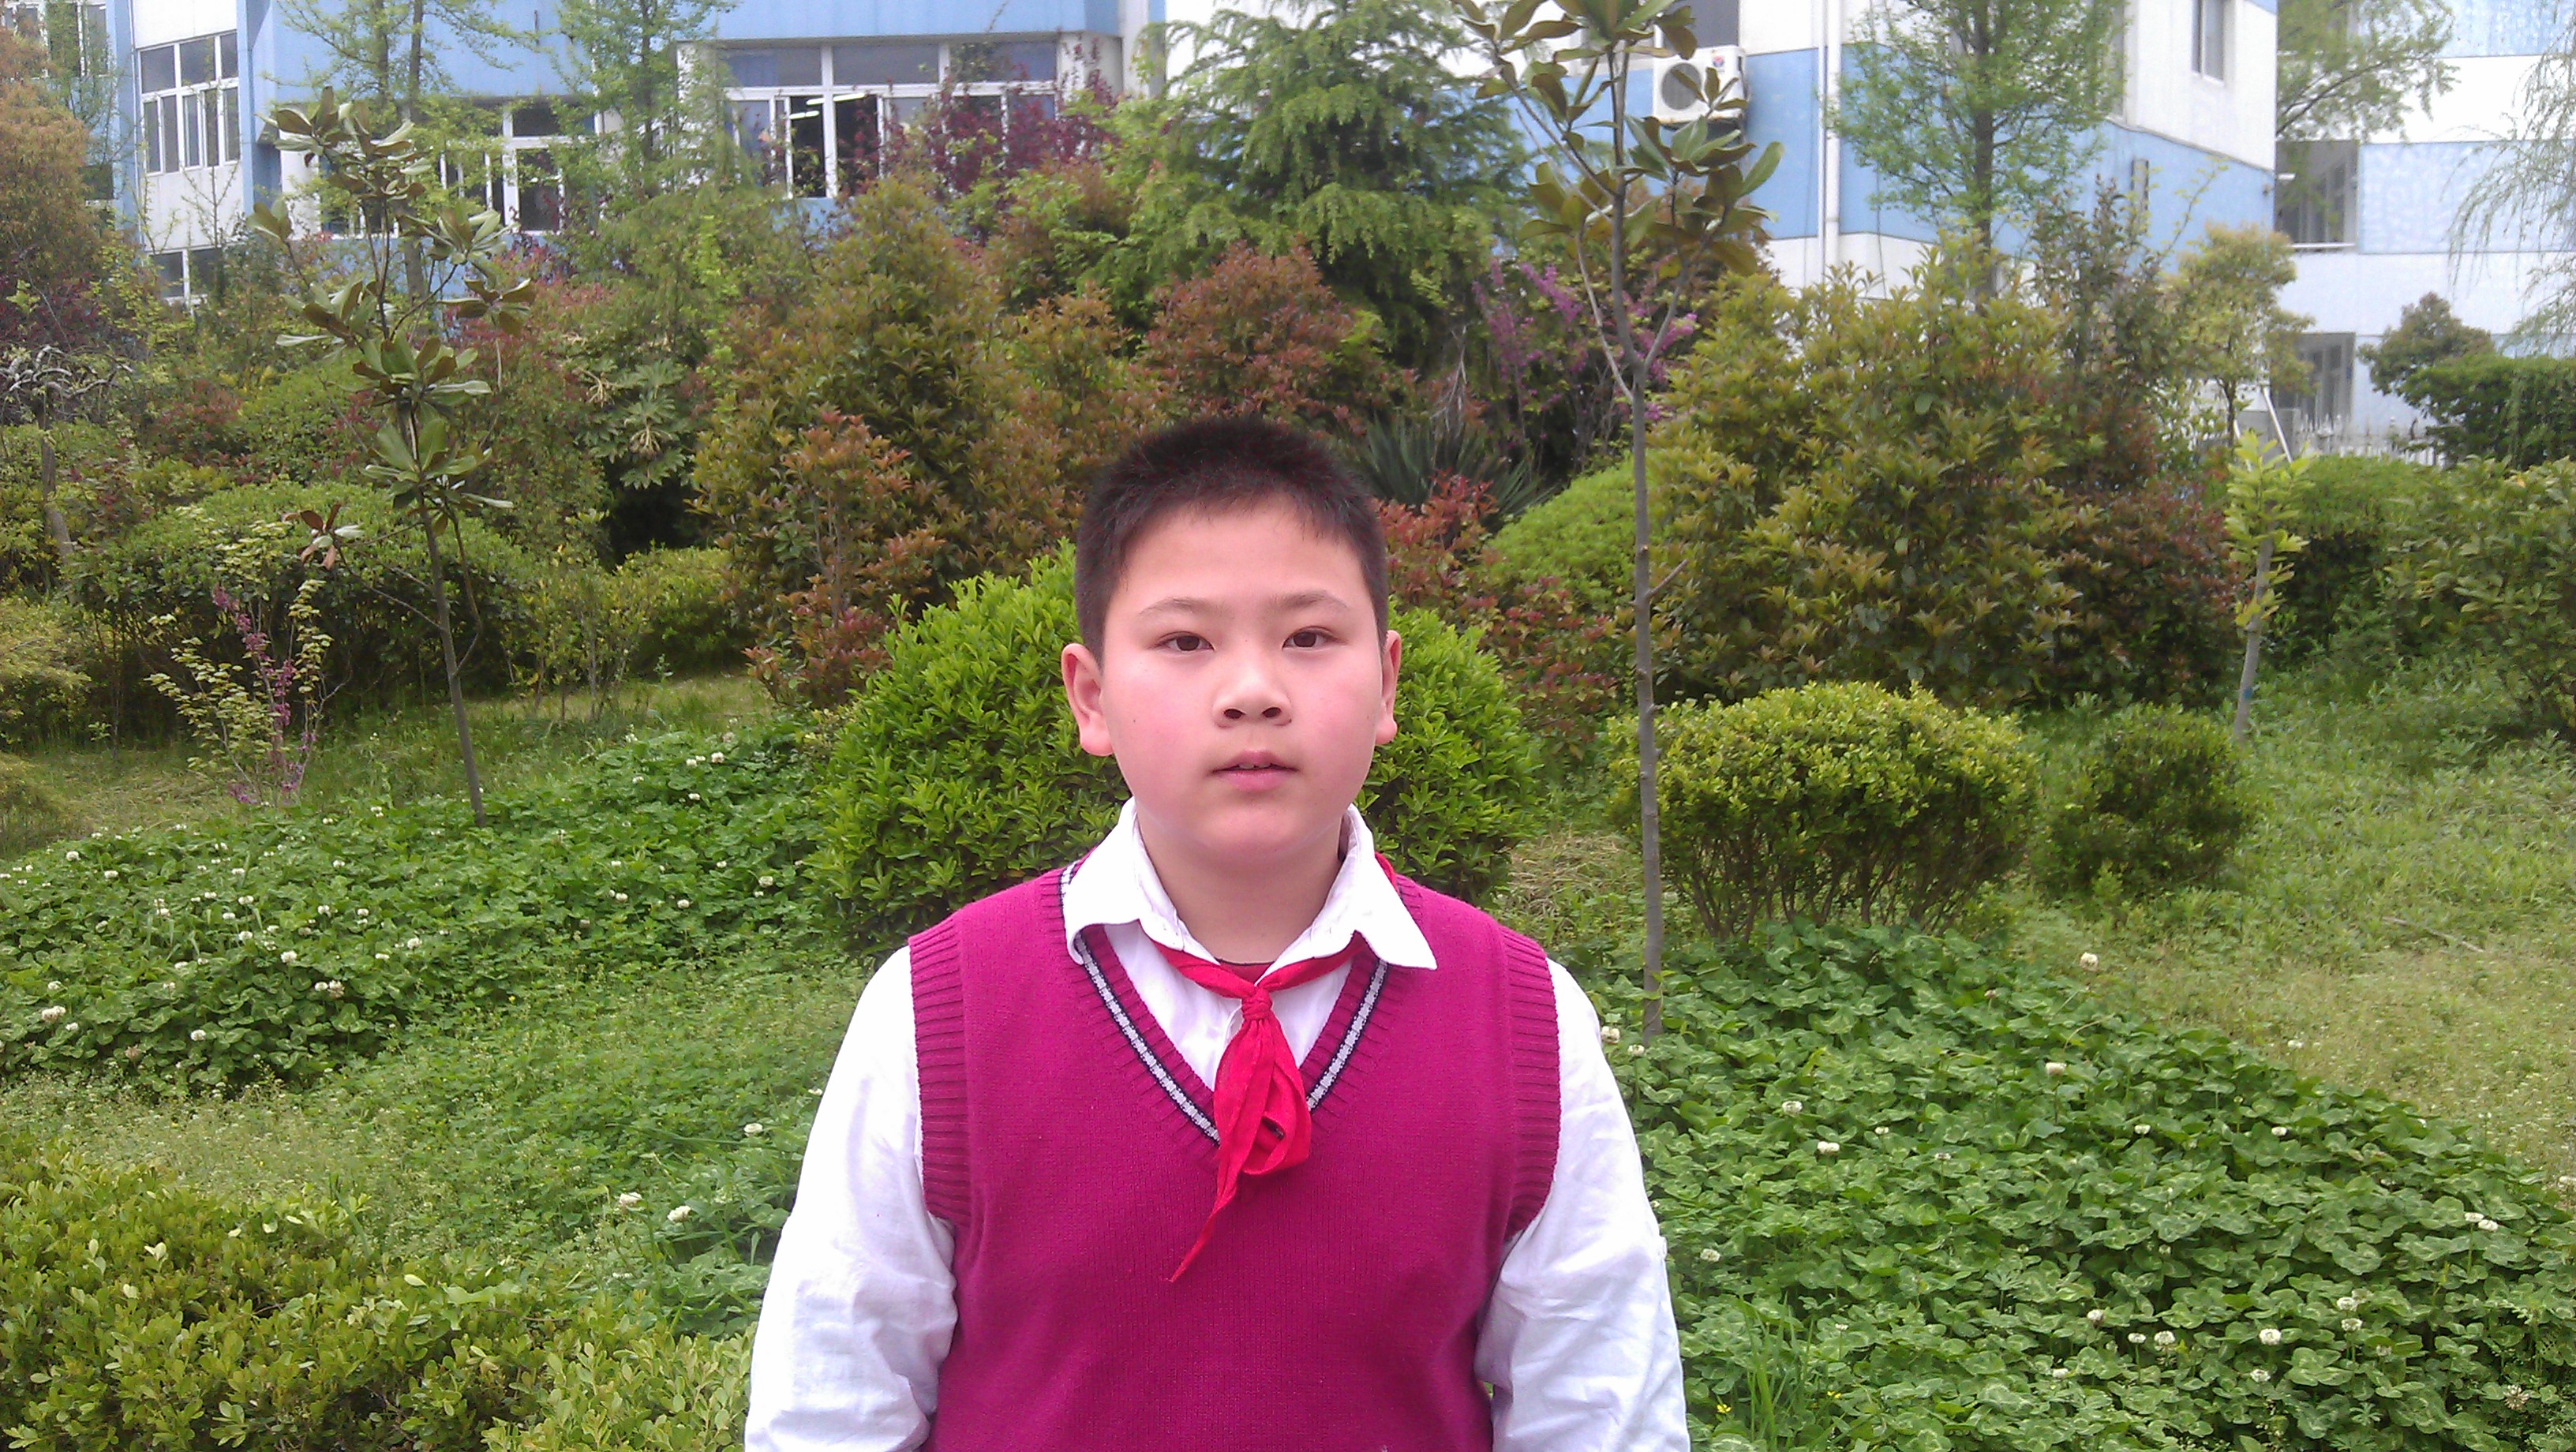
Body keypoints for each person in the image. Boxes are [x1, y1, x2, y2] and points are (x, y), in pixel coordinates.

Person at [744, 418, 1682, 1450]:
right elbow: (833, 1406)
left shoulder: (1520, 1020)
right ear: (1092, 697)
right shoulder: (940, 1011)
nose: (1253, 693)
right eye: (1185, 642)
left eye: (1309, 638)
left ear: (1387, 684)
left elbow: (1600, 1412)